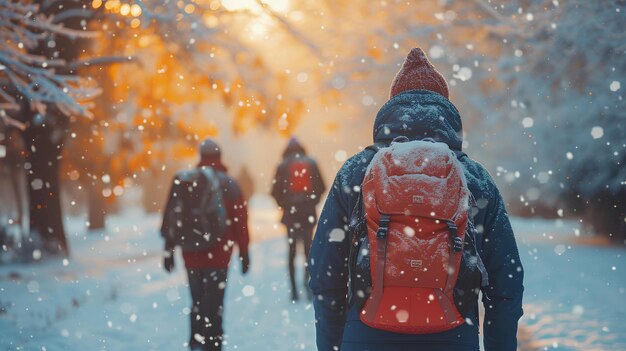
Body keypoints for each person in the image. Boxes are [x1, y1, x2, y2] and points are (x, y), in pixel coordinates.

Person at [308, 48, 524, 351]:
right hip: (453, 333)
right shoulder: (473, 178)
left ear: (390, 108)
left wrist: (332, 343)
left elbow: (324, 274)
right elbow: (506, 284)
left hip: (366, 333)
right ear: (447, 112)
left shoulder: (356, 171)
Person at [161, 139, 250, 351]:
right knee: (214, 305)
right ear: (220, 156)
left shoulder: (186, 182)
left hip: (191, 254)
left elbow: (172, 218)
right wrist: (244, 252)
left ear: (200, 156)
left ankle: (196, 342)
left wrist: (169, 250)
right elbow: (240, 221)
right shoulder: (229, 184)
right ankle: (213, 345)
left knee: (197, 302)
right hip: (219, 255)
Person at [271, 137, 326, 301]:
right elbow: (322, 187)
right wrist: (310, 202)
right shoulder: (311, 163)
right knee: (309, 251)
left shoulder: (282, 166)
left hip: (291, 215)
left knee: (292, 251)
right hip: (307, 213)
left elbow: (275, 191)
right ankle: (307, 285)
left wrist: (285, 204)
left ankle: (294, 290)